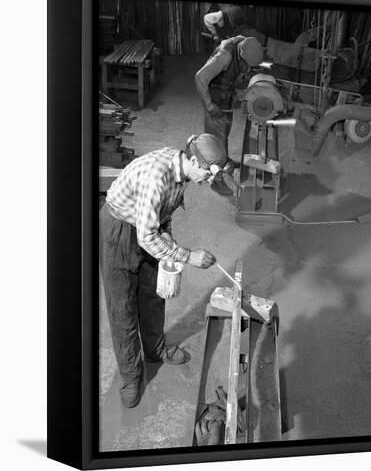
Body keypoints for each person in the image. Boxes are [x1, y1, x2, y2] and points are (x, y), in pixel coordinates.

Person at [100, 133, 227, 408]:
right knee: (123, 308)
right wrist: (188, 256)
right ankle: (131, 376)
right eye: (208, 173)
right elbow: (146, 237)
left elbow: (160, 215)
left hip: (146, 227)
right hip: (119, 232)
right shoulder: (157, 177)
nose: (208, 180)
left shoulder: (181, 169)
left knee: (153, 295)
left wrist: (167, 235)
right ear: (194, 160)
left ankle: (155, 350)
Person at [195, 35, 264, 193]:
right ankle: (216, 180)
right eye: (247, 64)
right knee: (215, 138)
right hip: (214, 97)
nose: (248, 68)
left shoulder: (245, 43)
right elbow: (200, 77)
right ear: (241, 55)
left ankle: (224, 160)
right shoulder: (225, 57)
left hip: (226, 94)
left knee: (224, 131)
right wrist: (209, 104)